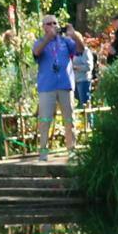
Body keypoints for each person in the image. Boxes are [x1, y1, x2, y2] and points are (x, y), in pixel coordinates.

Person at [31, 15, 80, 160]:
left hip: (65, 85)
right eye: (49, 23)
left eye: (55, 23)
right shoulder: (39, 42)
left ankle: (71, 149)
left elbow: (80, 49)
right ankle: (43, 150)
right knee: (45, 119)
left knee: (69, 119)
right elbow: (36, 52)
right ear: (43, 27)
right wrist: (48, 38)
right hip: (47, 86)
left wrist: (75, 36)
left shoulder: (66, 42)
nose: (52, 26)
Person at [71, 30, 95, 108]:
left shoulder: (85, 51)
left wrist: (75, 67)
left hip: (83, 81)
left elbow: (89, 67)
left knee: (85, 104)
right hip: (74, 81)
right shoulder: (72, 52)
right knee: (76, 105)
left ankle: (88, 120)